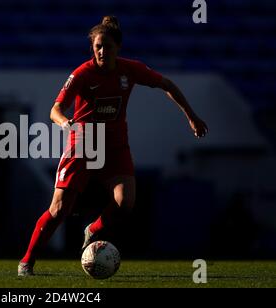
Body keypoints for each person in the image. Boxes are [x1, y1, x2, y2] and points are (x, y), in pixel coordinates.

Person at [18, 16, 208, 276]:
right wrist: (65, 122)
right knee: (60, 209)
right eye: (97, 46)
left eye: (107, 46)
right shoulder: (82, 73)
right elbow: (55, 109)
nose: (102, 51)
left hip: (115, 147)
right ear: (92, 49)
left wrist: (192, 116)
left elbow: (166, 84)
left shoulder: (130, 70)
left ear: (118, 48)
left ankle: (93, 230)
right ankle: (27, 262)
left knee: (125, 202)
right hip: (83, 144)